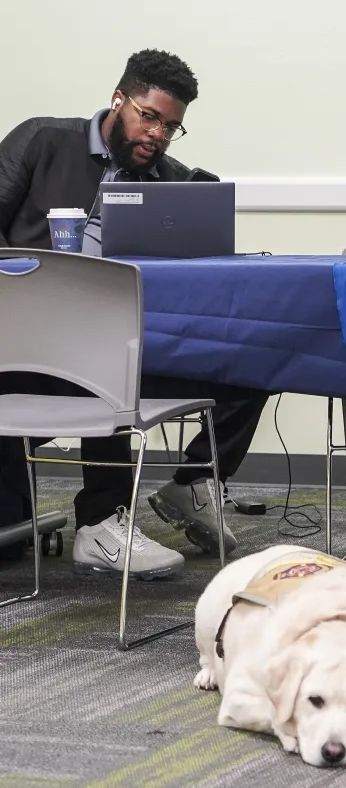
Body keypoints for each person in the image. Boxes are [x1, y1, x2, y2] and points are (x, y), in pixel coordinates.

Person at [0, 49, 268, 578]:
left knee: (253, 360)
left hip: (116, 340)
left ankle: (188, 482)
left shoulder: (171, 182)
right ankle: (98, 521)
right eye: (149, 116)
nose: (158, 134)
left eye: (171, 126)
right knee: (9, 534)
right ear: (119, 99)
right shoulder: (44, 141)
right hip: (24, 337)